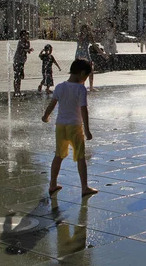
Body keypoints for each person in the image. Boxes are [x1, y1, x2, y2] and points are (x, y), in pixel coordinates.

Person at [41, 59, 98, 197]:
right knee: (80, 157)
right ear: (83, 73)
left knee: (58, 156)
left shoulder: (60, 87)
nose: (85, 80)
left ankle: (52, 184)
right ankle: (84, 187)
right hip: (75, 127)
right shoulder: (80, 89)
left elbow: (52, 104)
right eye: (86, 77)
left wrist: (46, 116)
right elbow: (84, 110)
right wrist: (87, 130)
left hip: (60, 126)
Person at [75, 24, 106, 92]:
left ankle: (91, 87)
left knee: (91, 70)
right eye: (84, 30)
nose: (85, 31)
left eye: (86, 30)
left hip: (86, 54)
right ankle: (81, 86)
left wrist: (102, 54)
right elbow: (79, 44)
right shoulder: (79, 35)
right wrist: (82, 37)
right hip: (80, 54)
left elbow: (95, 46)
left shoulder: (89, 37)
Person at [13, 30, 34, 97]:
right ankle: (16, 91)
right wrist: (28, 50)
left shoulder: (28, 42)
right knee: (17, 76)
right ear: (22, 36)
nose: (27, 36)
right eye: (25, 35)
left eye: (28, 34)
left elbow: (27, 51)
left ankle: (18, 90)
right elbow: (21, 50)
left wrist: (29, 50)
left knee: (20, 76)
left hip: (22, 62)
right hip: (17, 61)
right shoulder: (20, 41)